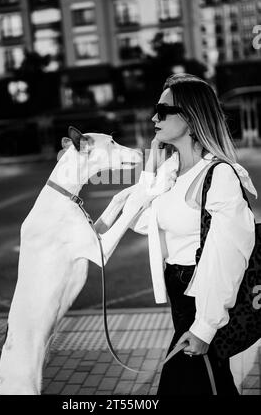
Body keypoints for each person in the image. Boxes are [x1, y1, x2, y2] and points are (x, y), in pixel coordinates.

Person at [101, 73, 257, 395]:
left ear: (190, 116)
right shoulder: (171, 172)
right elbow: (142, 222)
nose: (154, 117)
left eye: (163, 110)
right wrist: (151, 168)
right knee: (212, 383)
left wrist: (204, 326)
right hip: (182, 301)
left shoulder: (220, 175)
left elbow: (227, 258)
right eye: (154, 110)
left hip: (201, 301)